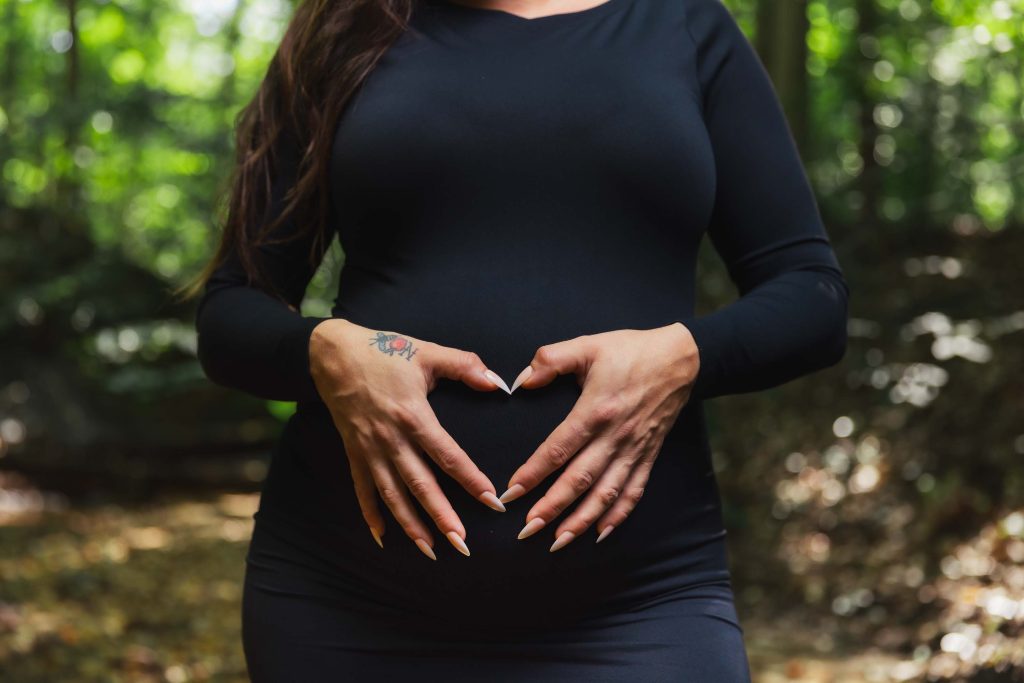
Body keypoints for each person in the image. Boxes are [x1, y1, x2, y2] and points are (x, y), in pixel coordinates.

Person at [187, 0, 850, 679]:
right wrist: (329, 353)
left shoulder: (683, 26)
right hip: (345, 604)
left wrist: (682, 356)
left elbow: (811, 298)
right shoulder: (344, 25)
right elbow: (231, 311)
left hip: (640, 604)